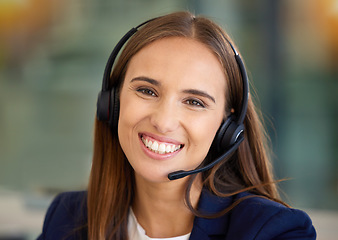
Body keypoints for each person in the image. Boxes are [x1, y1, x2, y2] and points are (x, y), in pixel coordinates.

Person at [37, 11, 316, 240]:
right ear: (112, 102)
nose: (163, 121)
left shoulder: (273, 231)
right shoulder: (68, 218)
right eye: (147, 91)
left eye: (194, 102)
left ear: (227, 128)